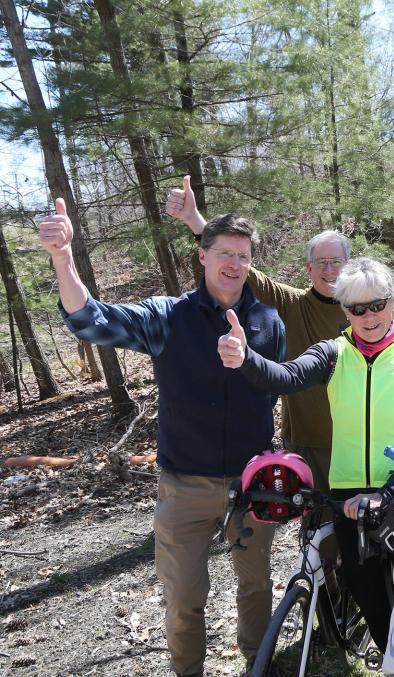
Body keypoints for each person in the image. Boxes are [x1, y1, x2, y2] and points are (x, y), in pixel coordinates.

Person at [39, 201, 285, 677]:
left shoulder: (268, 322)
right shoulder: (168, 317)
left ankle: (260, 663)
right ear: (202, 256)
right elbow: (92, 321)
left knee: (256, 587)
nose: (235, 264)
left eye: (244, 255)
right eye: (225, 254)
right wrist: (63, 259)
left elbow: (276, 389)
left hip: (251, 484)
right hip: (185, 485)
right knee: (184, 598)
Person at [217, 257, 394, 652]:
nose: (369, 316)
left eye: (377, 304)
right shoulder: (332, 353)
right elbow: (286, 376)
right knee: (372, 603)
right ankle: (393, 659)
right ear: (345, 310)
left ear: (391, 302)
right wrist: (246, 358)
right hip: (348, 499)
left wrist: (387, 492)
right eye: (357, 308)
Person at [166, 176, 394, 489]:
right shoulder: (290, 303)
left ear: (349, 264)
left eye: (337, 262)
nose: (330, 271)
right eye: (321, 263)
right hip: (308, 444)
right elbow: (238, 266)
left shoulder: (374, 309)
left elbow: (386, 353)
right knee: (320, 533)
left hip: (368, 443)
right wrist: (194, 219)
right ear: (309, 268)